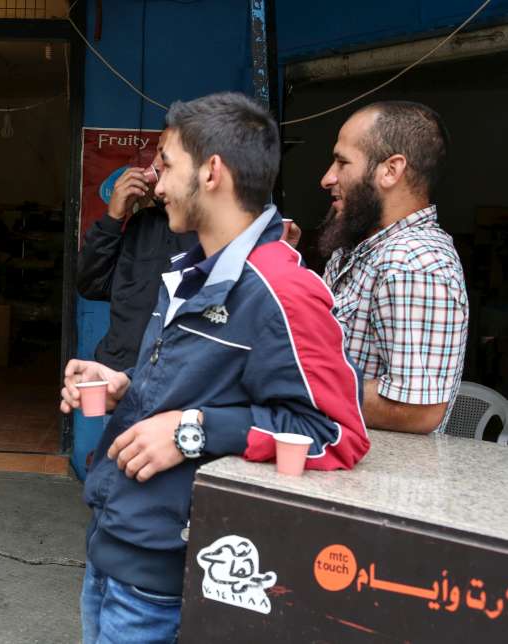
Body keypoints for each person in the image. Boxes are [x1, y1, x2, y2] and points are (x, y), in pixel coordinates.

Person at [60, 92, 369, 643]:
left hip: (165, 576)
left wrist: (191, 431)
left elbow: (334, 435)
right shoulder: (192, 271)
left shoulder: (283, 290)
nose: (156, 184)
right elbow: (194, 385)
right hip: (114, 544)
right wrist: (125, 386)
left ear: (211, 172)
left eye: (167, 165)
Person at [319, 101, 468, 434]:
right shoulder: (354, 250)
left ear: (391, 170)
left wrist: (296, 387)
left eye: (342, 162)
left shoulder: (413, 262)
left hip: (380, 481)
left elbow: (417, 409)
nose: (327, 178)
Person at [76, 129, 196, 372]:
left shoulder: (213, 233)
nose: (155, 165)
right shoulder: (142, 223)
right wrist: (113, 217)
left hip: (176, 382)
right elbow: (92, 284)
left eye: (165, 156)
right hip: (121, 375)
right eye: (157, 155)